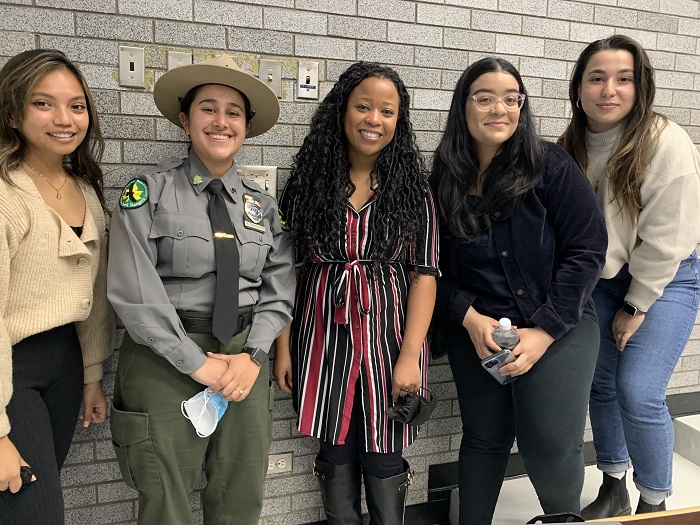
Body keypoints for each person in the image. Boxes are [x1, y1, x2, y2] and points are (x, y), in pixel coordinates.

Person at [107, 55, 295, 525]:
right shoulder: (147, 194)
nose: (221, 121)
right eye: (208, 108)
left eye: (234, 112)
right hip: (164, 359)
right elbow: (135, 293)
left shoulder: (263, 208)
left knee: (241, 491)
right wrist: (197, 364)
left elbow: (279, 290)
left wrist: (252, 356)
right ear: (185, 119)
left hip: (243, 361)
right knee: (165, 496)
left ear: (246, 127)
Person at [431, 57, 607, 525]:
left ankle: (564, 519)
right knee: (485, 436)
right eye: (485, 97)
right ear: (463, 107)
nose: (500, 109)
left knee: (548, 439)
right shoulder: (444, 177)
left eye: (512, 99)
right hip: (479, 326)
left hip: (559, 320)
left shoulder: (549, 165)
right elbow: (429, 267)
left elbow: (587, 251)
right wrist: (467, 317)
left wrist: (544, 332)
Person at [273, 61, 439, 524]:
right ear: (341, 111)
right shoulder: (308, 184)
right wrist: (283, 347)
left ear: (398, 121)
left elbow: (425, 273)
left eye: (387, 111)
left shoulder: (413, 188)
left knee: (385, 447)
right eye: (363, 106)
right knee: (335, 444)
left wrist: (410, 355)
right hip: (322, 335)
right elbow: (286, 268)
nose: (374, 119)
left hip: (391, 338)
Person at [559, 35, 700, 518]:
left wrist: (636, 304)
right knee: (600, 386)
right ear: (579, 87)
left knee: (637, 391)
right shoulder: (571, 143)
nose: (609, 89)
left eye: (624, 79)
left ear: (642, 88)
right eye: (596, 78)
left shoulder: (665, 140)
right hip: (601, 280)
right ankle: (613, 484)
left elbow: (668, 238)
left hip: (666, 278)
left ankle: (655, 502)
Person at [0, 49, 115, 524]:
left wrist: (91, 374)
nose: (65, 119)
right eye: (43, 104)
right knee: (37, 513)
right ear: (12, 111)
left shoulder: (85, 189)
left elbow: (95, 295)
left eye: (77, 105)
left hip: (64, 365)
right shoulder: (7, 193)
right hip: (13, 371)